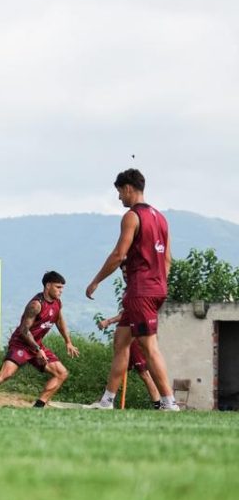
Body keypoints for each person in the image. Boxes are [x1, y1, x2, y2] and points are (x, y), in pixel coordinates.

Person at [85, 168, 179, 410]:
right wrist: (158, 282)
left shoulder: (132, 216)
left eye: (119, 192)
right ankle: (106, 401)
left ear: (128, 188)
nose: (119, 197)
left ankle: (169, 402)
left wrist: (96, 281)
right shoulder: (161, 218)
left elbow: (119, 254)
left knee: (148, 347)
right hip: (155, 288)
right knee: (121, 341)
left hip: (141, 290)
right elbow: (167, 259)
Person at [0, 272, 79, 407]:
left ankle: (38, 407)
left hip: (37, 345)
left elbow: (59, 321)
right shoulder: (36, 305)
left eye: (62, 288)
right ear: (48, 286)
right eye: (58, 287)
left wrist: (68, 342)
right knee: (6, 374)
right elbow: (24, 331)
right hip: (21, 343)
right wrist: (38, 349)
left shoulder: (57, 303)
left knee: (61, 373)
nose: (61, 291)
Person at [96, 311, 161, 408]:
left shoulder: (134, 303)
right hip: (127, 338)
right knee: (117, 371)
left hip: (133, 339)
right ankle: (105, 401)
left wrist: (108, 321)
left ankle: (159, 405)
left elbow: (129, 313)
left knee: (144, 373)